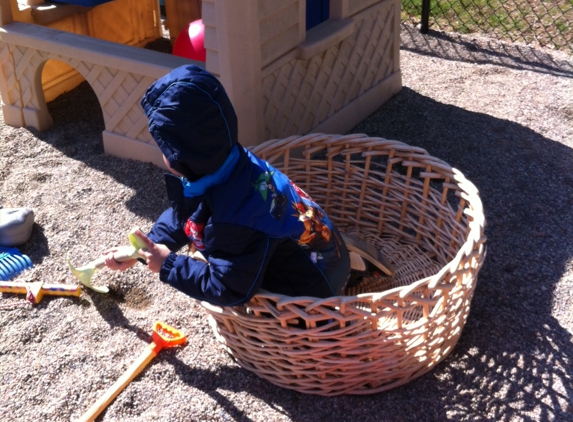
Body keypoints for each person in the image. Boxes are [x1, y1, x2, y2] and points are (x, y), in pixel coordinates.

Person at [104, 65, 350, 307]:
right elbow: (190, 211)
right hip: (329, 256)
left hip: (313, 290)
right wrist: (147, 248)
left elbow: (227, 287)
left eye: (165, 148)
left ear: (184, 157)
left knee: (270, 302)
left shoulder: (237, 220)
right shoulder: (230, 161)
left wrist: (168, 264)